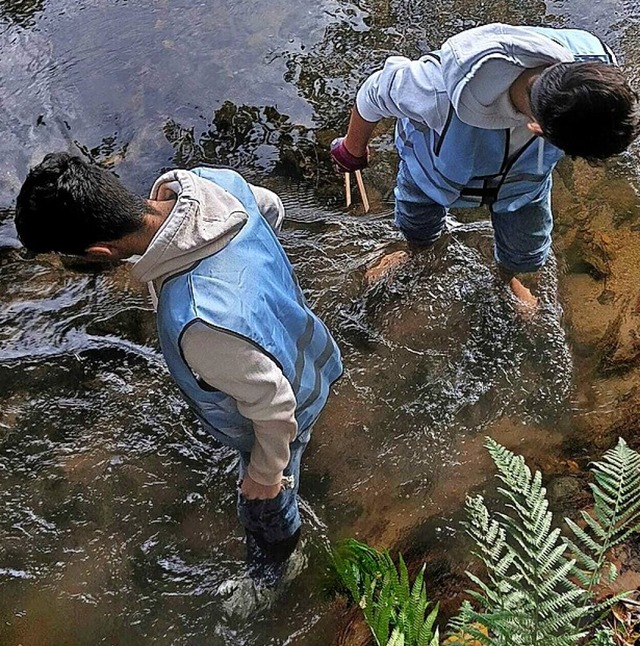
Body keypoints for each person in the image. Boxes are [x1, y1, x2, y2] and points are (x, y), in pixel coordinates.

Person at [15, 152, 343, 587]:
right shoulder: (211, 184)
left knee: (262, 507)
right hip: (311, 348)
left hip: (289, 403)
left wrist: (264, 478)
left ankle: (278, 572)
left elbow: (276, 407)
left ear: (100, 252)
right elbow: (270, 209)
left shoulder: (200, 323)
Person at [331, 23, 640, 307]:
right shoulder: (439, 89)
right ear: (537, 130)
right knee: (418, 221)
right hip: (432, 173)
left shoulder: (593, 74)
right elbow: (375, 92)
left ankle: (505, 280)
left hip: (522, 182)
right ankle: (415, 254)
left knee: (526, 248)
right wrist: (352, 149)